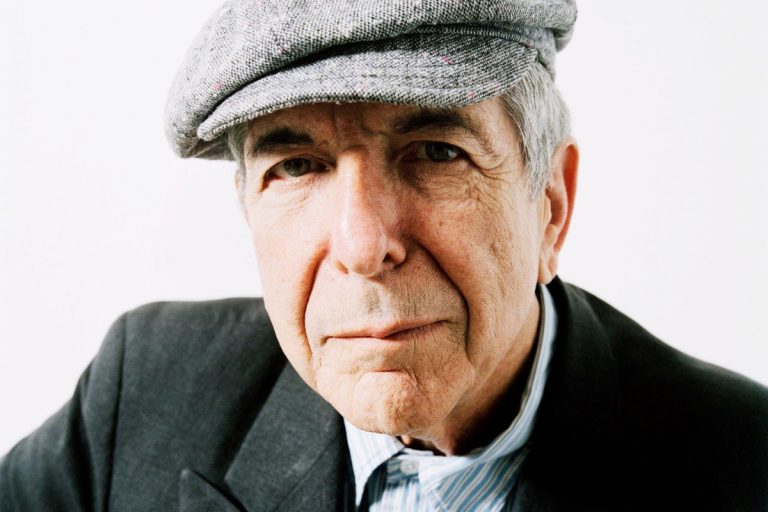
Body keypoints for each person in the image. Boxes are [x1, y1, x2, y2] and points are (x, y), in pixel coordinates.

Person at [1, 0, 766, 510]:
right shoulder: (143, 391)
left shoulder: (744, 466)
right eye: (296, 166)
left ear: (550, 207)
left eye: (435, 151)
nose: (364, 246)